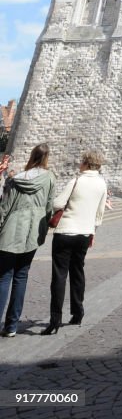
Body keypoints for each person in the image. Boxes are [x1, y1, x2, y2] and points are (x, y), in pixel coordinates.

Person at [43, 150, 107, 334]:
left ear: (86, 164)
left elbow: (58, 204)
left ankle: (55, 320)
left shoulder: (76, 181)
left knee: (59, 275)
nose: (79, 164)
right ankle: (78, 313)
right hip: (84, 234)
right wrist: (92, 232)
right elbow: (99, 214)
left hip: (65, 232)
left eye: (81, 162)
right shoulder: (102, 184)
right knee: (78, 272)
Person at [0, 143, 55, 337]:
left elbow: (4, 208)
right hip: (32, 233)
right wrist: (44, 228)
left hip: (10, 231)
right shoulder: (49, 178)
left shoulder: (15, 180)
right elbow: (49, 207)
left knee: (4, 277)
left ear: (32, 156)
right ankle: (12, 326)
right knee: (21, 276)